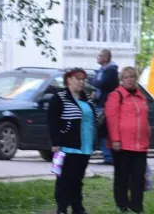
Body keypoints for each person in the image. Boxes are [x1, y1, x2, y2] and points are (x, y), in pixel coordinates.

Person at [48, 68, 97, 214]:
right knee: (65, 179)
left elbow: (93, 118)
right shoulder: (60, 97)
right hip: (68, 145)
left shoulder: (87, 98)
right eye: (78, 78)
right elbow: (52, 120)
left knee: (78, 179)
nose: (81, 82)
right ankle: (62, 208)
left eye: (83, 79)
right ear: (68, 79)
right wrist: (55, 142)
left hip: (85, 145)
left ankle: (77, 207)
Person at [105, 66, 151, 214]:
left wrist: (147, 136)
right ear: (122, 79)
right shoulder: (116, 95)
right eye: (126, 77)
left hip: (140, 145)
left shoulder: (141, 96)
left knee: (138, 178)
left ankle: (137, 206)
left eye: (132, 76)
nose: (129, 79)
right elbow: (112, 119)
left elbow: (145, 119)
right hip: (122, 145)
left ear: (136, 78)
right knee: (122, 177)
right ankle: (122, 204)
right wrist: (115, 139)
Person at [90, 48, 118, 165]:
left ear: (106, 58)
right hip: (100, 103)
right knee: (102, 131)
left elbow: (100, 83)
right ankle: (107, 155)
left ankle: (109, 157)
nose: (97, 57)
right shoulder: (101, 71)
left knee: (104, 131)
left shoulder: (110, 71)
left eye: (100, 55)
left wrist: (92, 81)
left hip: (106, 105)